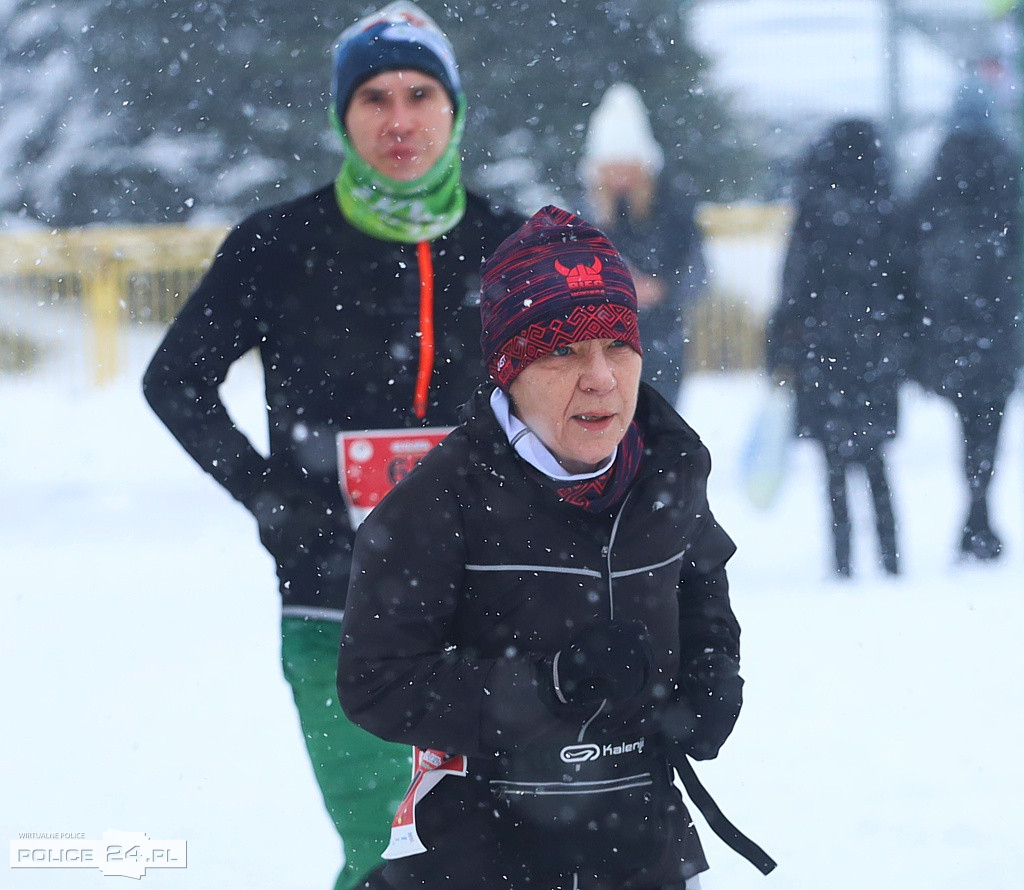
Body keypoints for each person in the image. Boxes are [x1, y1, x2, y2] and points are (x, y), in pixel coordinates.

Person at [142, 3, 523, 888]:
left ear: (455, 109)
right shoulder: (279, 244)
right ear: (341, 117)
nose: (399, 120)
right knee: (384, 851)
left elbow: (589, 387)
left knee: (511, 851)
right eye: (374, 97)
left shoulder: (512, 244)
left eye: (421, 94)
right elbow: (176, 380)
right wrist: (268, 493)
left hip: (503, 601)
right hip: (338, 604)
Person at [337, 207, 772, 889]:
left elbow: (699, 583)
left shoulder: (671, 463)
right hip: (482, 849)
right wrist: (546, 687)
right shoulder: (438, 499)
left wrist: (712, 669)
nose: (600, 377)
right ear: (509, 368)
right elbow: (376, 683)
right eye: (562, 349)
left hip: (640, 845)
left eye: (617, 346)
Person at [765, 118, 910, 578]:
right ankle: (891, 557)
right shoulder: (887, 207)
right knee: (875, 459)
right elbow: (906, 283)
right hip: (876, 347)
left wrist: (781, 349)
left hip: (821, 347)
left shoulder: (812, 209)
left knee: (832, 461)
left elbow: (794, 284)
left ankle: (842, 558)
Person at [901, 113, 1021, 561]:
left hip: (948, 340)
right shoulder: (1005, 202)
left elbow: (907, 270)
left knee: (967, 428)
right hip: (997, 339)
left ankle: (975, 513)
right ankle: (980, 513)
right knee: (988, 432)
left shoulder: (933, 199)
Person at [577, 82, 708, 407]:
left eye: (629, 166)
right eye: (612, 167)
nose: (621, 176)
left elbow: (700, 276)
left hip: (660, 343)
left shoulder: (673, 210)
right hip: (596, 346)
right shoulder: (581, 216)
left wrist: (661, 289)